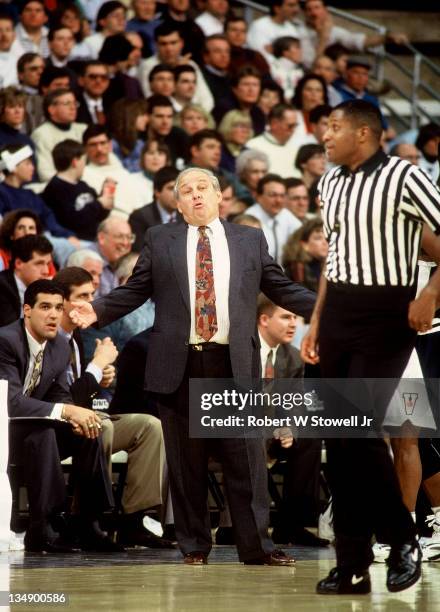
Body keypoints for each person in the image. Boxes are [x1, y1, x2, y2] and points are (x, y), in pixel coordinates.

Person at [70, 166, 316, 566]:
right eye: (186, 190)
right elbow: (134, 290)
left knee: (247, 460)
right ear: (178, 203)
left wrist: (325, 310)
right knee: (188, 462)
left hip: (232, 361)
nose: (196, 195)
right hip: (180, 361)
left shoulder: (249, 239)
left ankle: (258, 548)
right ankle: (194, 546)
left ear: (221, 196)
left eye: (203, 188)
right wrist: (95, 310)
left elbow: (280, 286)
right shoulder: (160, 238)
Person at [300, 99, 440, 594]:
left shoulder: (406, 176)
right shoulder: (329, 183)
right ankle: (352, 560)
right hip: (338, 309)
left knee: (359, 430)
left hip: (387, 313)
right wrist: (316, 321)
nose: (326, 137)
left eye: (334, 128)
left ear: (365, 133)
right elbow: (332, 260)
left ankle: (403, 537)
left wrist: (431, 290)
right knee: (338, 442)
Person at [53, 266, 171, 548]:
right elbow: (63, 399)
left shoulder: (78, 337)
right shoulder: (51, 337)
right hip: (59, 423)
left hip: (87, 416)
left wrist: (100, 375)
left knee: (150, 426)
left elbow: (82, 390)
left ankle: (134, 518)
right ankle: (88, 519)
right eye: (82, 296)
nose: (89, 303)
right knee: (100, 426)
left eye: (92, 295)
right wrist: (96, 367)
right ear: (64, 302)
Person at [0, 279, 116, 553]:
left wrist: (74, 417)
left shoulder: (60, 346)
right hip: (4, 431)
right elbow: (10, 403)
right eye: (45, 307)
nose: (53, 315)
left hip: (32, 429)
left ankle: (88, 523)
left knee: (89, 428)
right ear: (27, 310)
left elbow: (59, 397)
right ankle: (45, 526)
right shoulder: (5, 341)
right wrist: (66, 411)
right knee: (45, 433)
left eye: (58, 308)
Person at [257, 294, 328, 547]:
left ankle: (291, 526)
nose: (294, 324)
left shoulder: (294, 357)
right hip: (235, 430)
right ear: (264, 320)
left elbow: (295, 404)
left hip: (271, 432)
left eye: (296, 318)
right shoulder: (241, 350)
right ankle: (244, 524)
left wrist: (288, 429)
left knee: (309, 433)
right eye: (286, 317)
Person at [42, 139, 114, 240]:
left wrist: (105, 196)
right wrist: (99, 204)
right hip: (77, 241)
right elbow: (72, 220)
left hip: (95, 237)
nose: (84, 166)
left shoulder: (83, 185)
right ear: (75, 162)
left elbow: (98, 215)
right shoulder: (55, 189)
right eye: (84, 161)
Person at [31, 88, 88, 182]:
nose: (73, 107)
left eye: (74, 103)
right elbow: (45, 174)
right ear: (52, 110)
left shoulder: (84, 129)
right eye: (67, 103)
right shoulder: (41, 134)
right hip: (60, 185)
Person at [247, 173, 302, 265]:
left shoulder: (285, 214)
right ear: (258, 197)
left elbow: (302, 235)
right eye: (273, 195)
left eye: (282, 196)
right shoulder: (249, 219)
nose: (278, 200)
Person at [0, 234, 53, 327]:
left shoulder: (40, 288)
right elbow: (10, 333)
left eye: (48, 264)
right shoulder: (2, 287)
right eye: (39, 263)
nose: (46, 271)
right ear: (19, 263)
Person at [129, 166, 181, 252]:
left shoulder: (187, 216)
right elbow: (140, 255)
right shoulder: (140, 218)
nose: (177, 194)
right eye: (171, 188)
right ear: (157, 192)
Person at [246, 104, 302, 179]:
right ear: (274, 124)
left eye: (295, 126)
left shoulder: (297, 145)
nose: (293, 130)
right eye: (290, 126)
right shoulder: (254, 146)